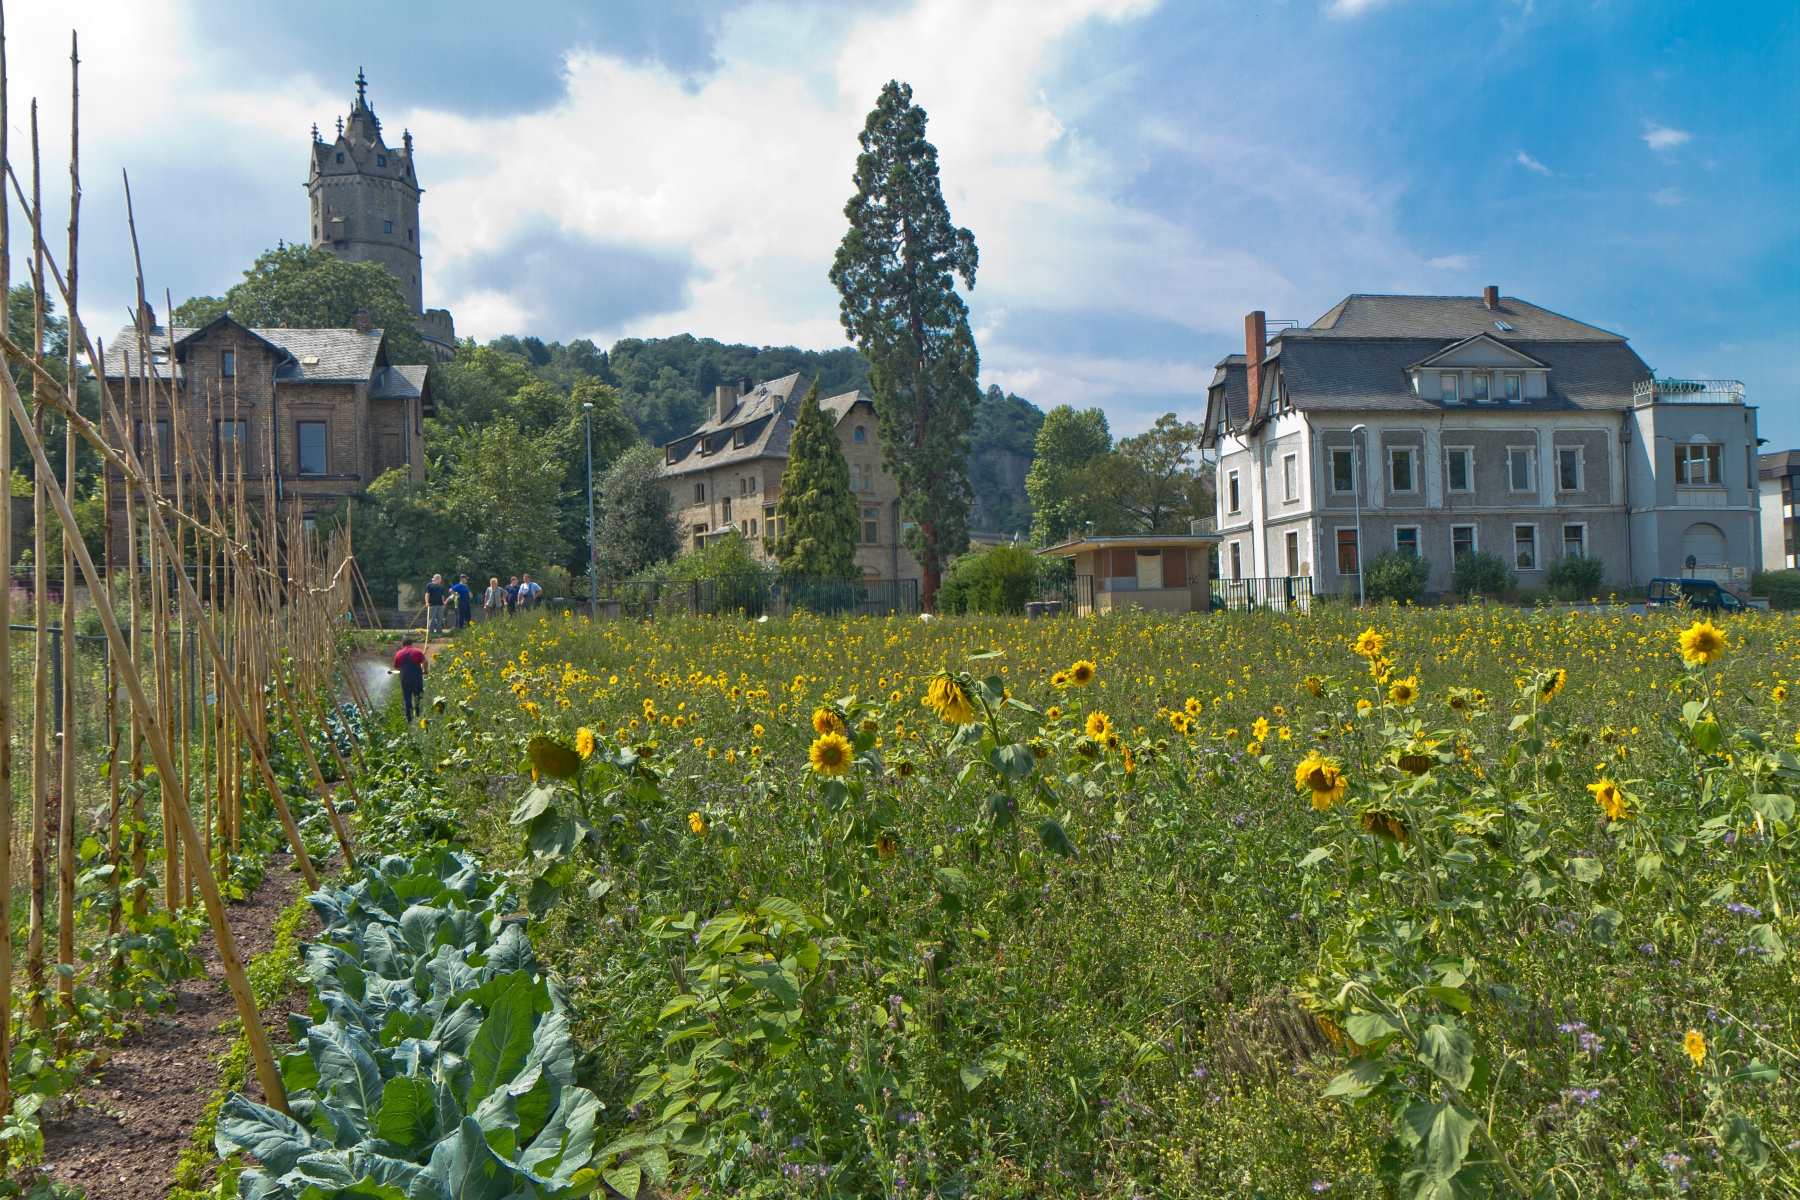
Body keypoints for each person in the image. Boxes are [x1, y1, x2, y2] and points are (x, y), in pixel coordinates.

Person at [392, 636, 427, 720]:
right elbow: (425, 661)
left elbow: (396, 667)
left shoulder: (399, 653)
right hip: (416, 678)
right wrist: (425, 671)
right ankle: (419, 715)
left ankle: (409, 718)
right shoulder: (417, 651)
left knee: (407, 697)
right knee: (418, 696)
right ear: (411, 644)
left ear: (402, 644)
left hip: (405, 678)